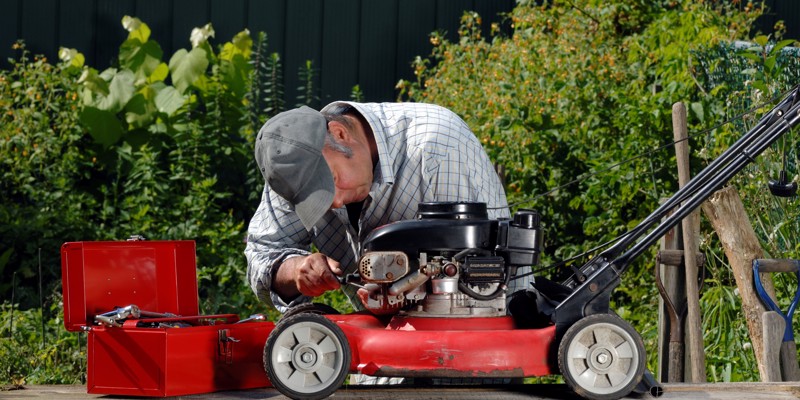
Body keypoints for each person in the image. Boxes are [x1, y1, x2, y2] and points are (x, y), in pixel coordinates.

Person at [245, 101, 531, 313]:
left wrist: (402, 289)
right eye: (312, 199)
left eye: (331, 181)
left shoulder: (437, 150)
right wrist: (294, 270)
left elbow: (486, 282)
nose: (334, 203)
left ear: (341, 134)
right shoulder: (291, 168)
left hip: (472, 359)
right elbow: (262, 253)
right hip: (377, 363)